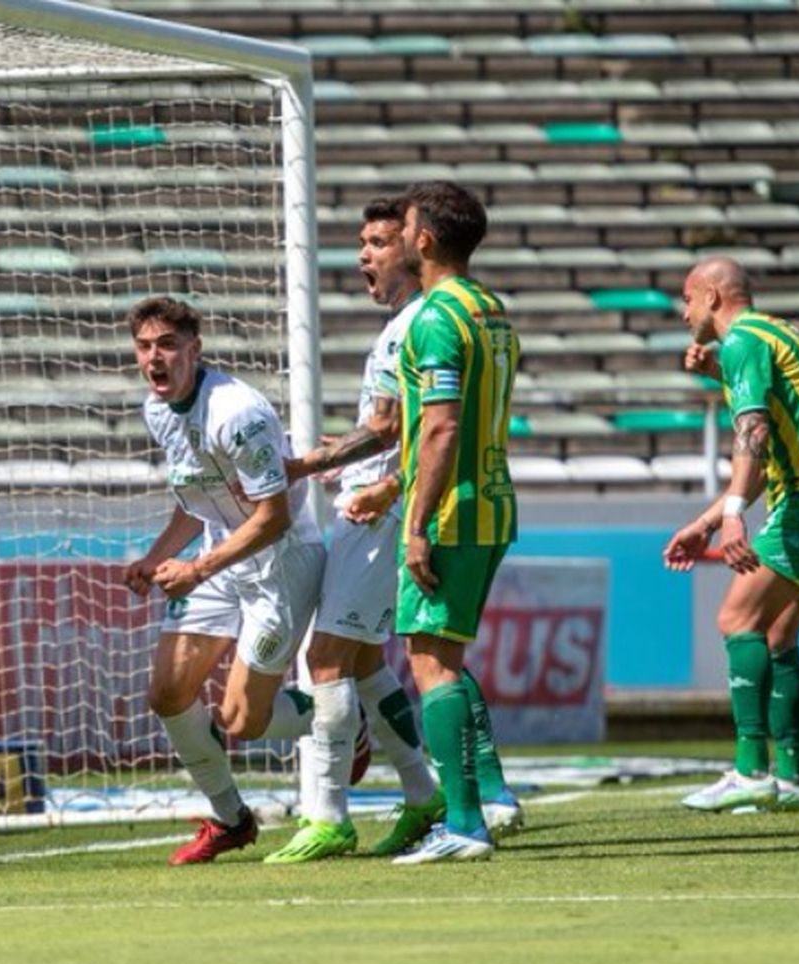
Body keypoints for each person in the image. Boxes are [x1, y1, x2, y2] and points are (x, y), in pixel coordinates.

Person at [290, 180, 520, 864]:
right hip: (492, 501)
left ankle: (463, 822)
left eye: (396, 231)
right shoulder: (491, 310)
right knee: (437, 657)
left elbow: (439, 430)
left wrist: (411, 516)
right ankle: (473, 804)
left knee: (428, 662)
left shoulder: (433, 318)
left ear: (422, 240)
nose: (373, 249)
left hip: (448, 509)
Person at [266, 198, 445, 864]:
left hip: (377, 510)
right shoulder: (408, 324)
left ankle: (328, 815)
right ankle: (424, 794)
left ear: (411, 247)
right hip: (379, 498)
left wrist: (312, 462)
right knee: (367, 665)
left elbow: (395, 427)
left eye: (376, 242)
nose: (363, 255)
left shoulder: (410, 326)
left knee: (327, 660)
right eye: (361, 242)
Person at [123, 295, 327, 865]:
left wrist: (194, 569)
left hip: (278, 561)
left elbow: (274, 515)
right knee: (166, 692)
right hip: (219, 556)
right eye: (144, 347)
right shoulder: (158, 411)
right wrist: (155, 557)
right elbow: (196, 504)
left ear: (195, 348)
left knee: (241, 720)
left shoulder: (238, 412)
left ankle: (339, 717)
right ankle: (232, 819)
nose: (154, 358)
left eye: (167, 345)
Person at [666, 257, 799, 813]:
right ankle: (794, 777)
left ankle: (751, 769)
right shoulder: (775, 334)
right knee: (777, 632)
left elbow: (752, 433)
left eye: (687, 299)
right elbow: (783, 417)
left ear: (714, 297)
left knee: (736, 619)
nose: (683, 313)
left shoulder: (744, 340)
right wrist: (707, 521)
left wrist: (729, 518)